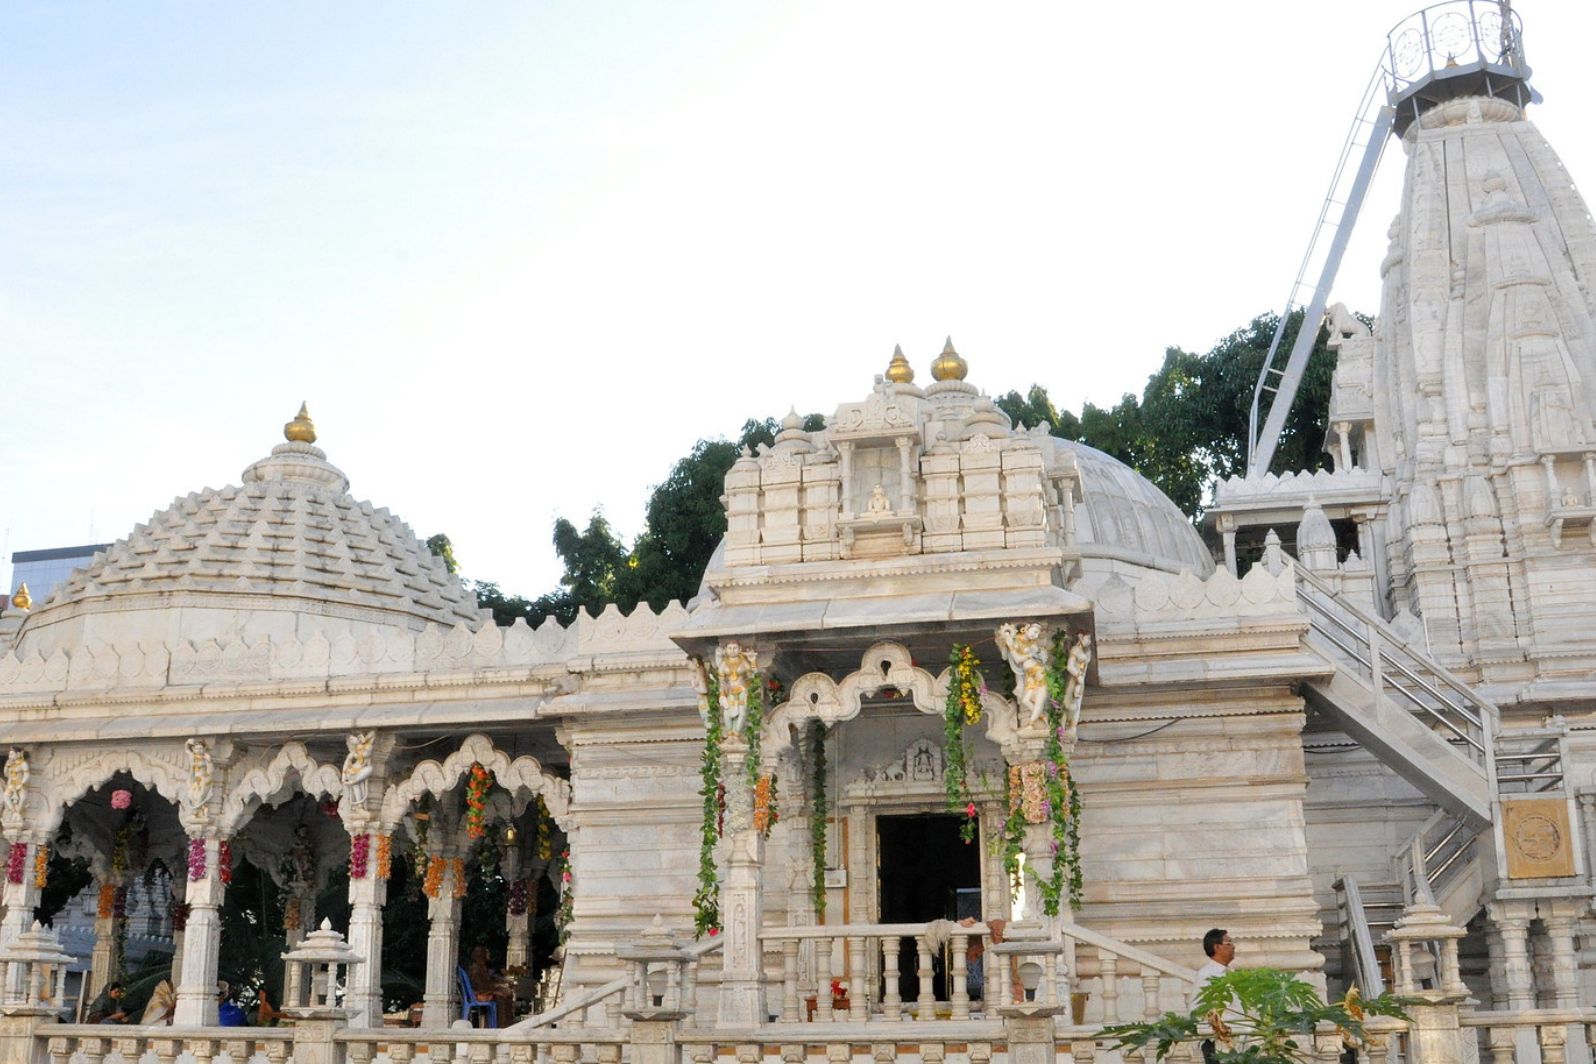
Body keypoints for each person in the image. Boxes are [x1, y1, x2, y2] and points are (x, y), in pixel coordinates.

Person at [1194, 929, 1236, 1064]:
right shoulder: (1206, 974)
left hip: (1233, 1038)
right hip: (1216, 1042)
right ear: (1217, 947)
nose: (1234, 946)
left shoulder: (1229, 973)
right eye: (1229, 943)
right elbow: (1197, 1010)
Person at [466, 946, 513, 1028]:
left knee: (506, 992)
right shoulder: (476, 968)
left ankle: (506, 1022)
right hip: (479, 995)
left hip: (482, 991)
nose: (489, 955)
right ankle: (501, 1024)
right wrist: (496, 989)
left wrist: (498, 986)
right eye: (487, 953)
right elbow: (481, 986)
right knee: (502, 995)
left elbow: (487, 983)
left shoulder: (481, 967)